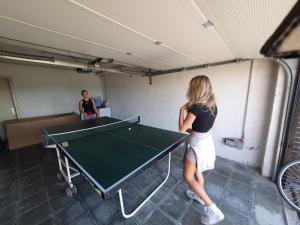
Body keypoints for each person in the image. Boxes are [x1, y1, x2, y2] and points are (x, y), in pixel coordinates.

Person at [178, 75, 224, 224]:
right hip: (206, 142)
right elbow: (209, 127)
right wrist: (195, 132)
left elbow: (182, 128)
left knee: (188, 177)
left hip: (197, 146)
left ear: (195, 88)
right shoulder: (213, 106)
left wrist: (181, 110)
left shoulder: (195, 108)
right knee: (197, 171)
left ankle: (213, 209)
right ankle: (198, 196)